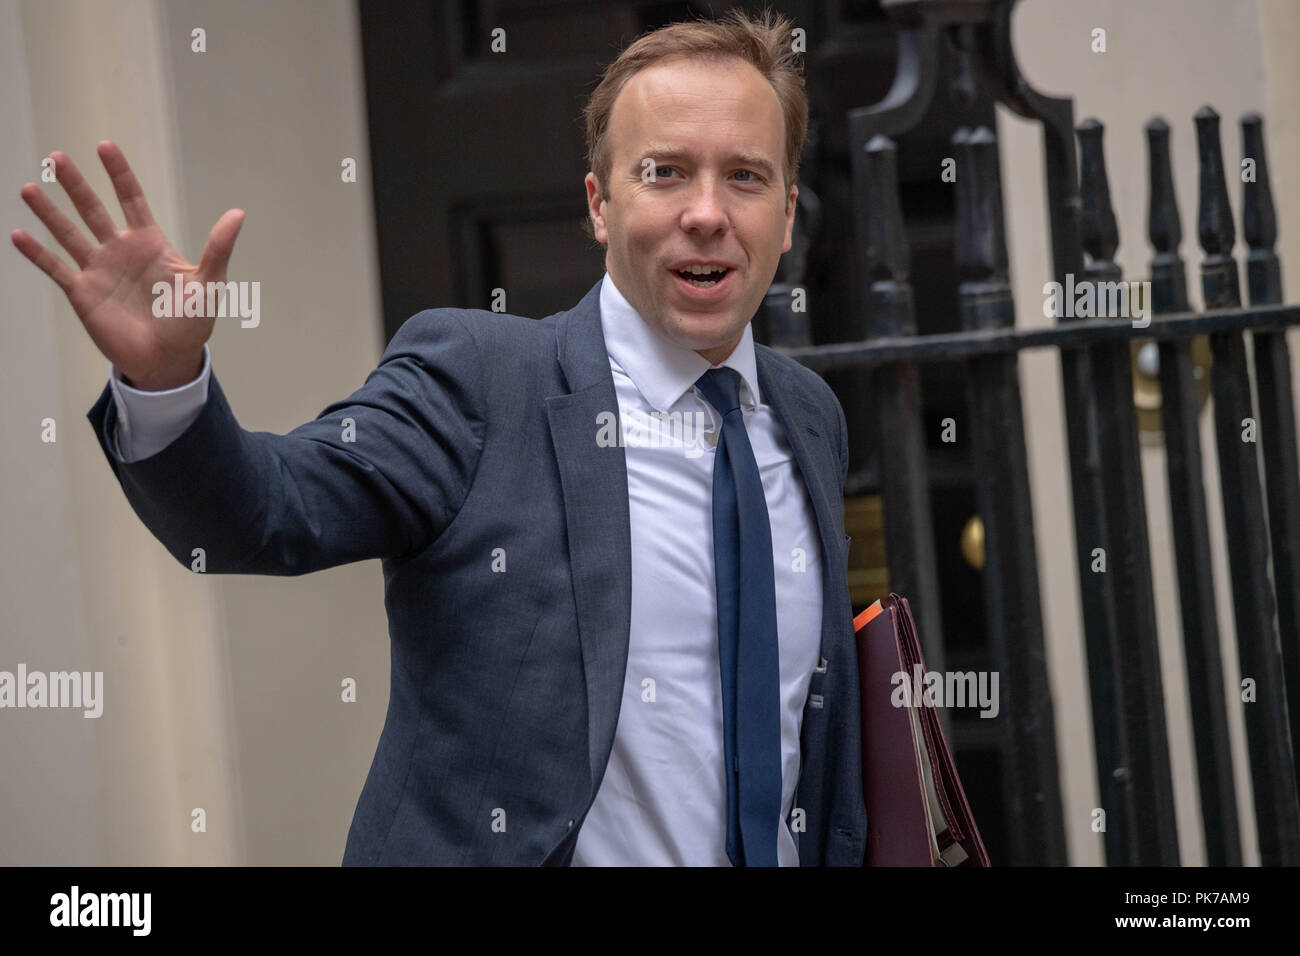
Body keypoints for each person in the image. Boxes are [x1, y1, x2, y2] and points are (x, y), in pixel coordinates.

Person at [11, 9, 865, 866]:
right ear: (601, 205)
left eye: (745, 177)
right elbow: (261, 511)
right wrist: (165, 383)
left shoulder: (806, 414)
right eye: (666, 173)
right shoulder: (481, 379)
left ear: (787, 215)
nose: (707, 213)